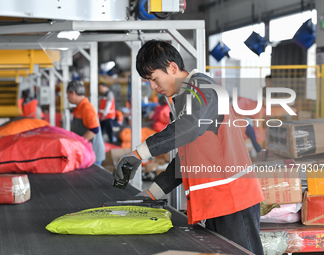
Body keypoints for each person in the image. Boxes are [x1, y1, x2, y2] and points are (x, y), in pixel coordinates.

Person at [113, 40, 264, 255]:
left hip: (233, 200)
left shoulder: (203, 89)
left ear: (173, 68)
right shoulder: (184, 98)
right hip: (216, 202)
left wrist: (139, 154)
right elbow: (188, 160)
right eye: (148, 81)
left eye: (154, 79)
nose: (153, 87)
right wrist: (151, 195)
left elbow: (189, 127)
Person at [67, 80, 105, 165]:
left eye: (67, 94)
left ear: (73, 93)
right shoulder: (79, 108)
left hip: (93, 153)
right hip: (86, 151)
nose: (67, 97)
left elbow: (94, 130)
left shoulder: (87, 108)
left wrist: (78, 143)